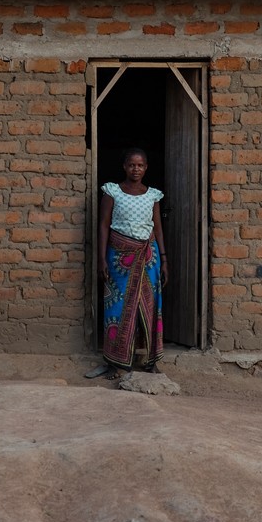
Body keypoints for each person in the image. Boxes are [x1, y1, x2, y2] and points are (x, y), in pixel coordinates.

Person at [96, 147, 168, 380]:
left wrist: (164, 259)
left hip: (149, 258)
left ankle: (150, 360)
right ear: (124, 166)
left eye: (140, 165)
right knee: (116, 308)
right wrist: (101, 259)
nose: (135, 169)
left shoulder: (152, 195)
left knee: (150, 307)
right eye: (131, 165)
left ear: (146, 168)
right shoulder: (113, 192)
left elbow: (157, 228)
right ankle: (116, 362)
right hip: (119, 259)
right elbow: (104, 225)